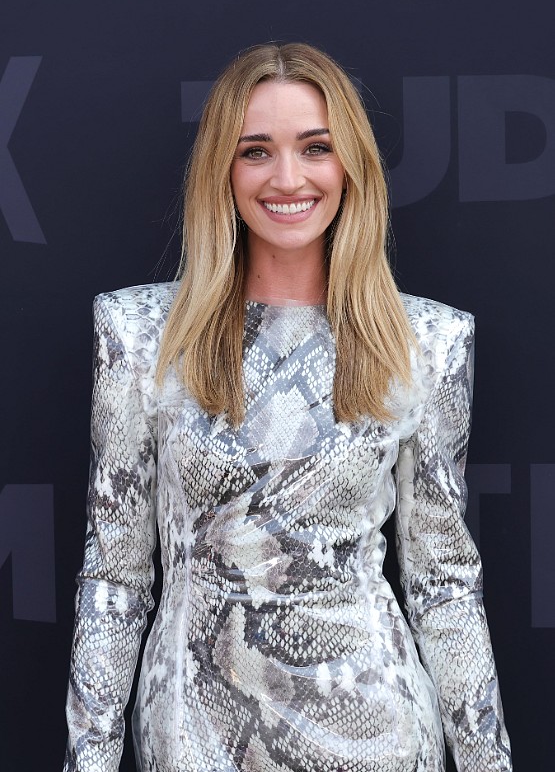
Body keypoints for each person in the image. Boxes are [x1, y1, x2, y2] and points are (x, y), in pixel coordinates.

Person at [64, 43, 512, 772]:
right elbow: (114, 579)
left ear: (350, 165)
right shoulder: (140, 337)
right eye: (255, 152)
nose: (287, 178)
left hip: (377, 734)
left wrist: (488, 762)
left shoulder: (427, 344)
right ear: (222, 169)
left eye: (315, 148)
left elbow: (444, 588)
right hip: (194, 737)